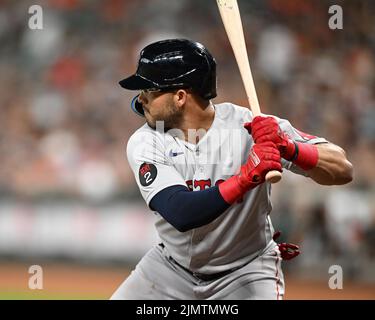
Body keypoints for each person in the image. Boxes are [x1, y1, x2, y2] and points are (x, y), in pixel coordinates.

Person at [111, 39, 353, 300]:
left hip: (246, 270)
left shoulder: (249, 126)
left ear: (180, 96)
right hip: (171, 268)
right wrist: (246, 177)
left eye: (149, 90)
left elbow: (342, 170)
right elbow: (181, 212)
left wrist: (289, 147)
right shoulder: (146, 140)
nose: (140, 99)